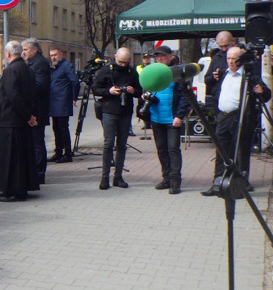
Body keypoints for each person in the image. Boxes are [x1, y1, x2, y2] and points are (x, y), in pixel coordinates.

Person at [202, 46, 272, 197]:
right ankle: (218, 182)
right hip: (222, 116)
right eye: (228, 58)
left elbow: (266, 94)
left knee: (240, 151)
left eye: (234, 58)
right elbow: (211, 88)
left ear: (240, 60)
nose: (231, 61)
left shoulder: (249, 76)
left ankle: (240, 183)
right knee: (221, 151)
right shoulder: (223, 74)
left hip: (240, 117)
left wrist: (262, 91)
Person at [0, 41, 37, 202]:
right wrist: (29, 115)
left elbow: (13, 96)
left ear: (7, 54)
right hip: (19, 120)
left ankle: (14, 190)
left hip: (10, 120)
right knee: (20, 158)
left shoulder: (12, 70)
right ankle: (20, 187)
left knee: (11, 159)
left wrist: (27, 116)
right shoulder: (26, 69)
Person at [91, 47, 142, 190]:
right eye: (121, 62)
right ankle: (104, 177)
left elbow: (140, 91)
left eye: (126, 62)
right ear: (115, 57)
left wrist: (133, 91)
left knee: (122, 145)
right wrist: (109, 91)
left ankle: (118, 177)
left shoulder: (132, 72)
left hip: (125, 112)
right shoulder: (106, 71)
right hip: (109, 110)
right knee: (108, 144)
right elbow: (95, 89)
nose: (123, 65)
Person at [142, 46, 190, 195]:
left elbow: (185, 96)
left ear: (170, 56)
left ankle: (175, 180)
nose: (160, 59)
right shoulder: (153, 72)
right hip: (157, 118)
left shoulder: (177, 73)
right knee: (161, 149)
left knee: (173, 149)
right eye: (157, 56)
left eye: (162, 56)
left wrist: (179, 116)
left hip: (172, 119)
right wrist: (145, 96)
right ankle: (166, 178)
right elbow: (146, 89)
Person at [21, 38, 51, 185]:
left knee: (37, 143)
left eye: (25, 49)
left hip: (38, 110)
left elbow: (40, 85)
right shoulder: (33, 63)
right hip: (34, 108)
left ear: (34, 50)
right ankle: (34, 172)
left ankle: (39, 174)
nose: (23, 52)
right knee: (34, 142)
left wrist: (23, 87)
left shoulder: (40, 63)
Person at [48, 47, 80, 163]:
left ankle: (67, 153)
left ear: (61, 54)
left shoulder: (66, 65)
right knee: (56, 128)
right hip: (54, 102)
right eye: (51, 55)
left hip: (62, 102)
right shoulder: (54, 67)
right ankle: (58, 152)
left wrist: (73, 97)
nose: (53, 57)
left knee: (62, 128)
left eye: (55, 55)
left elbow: (75, 81)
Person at [203, 31, 237, 109]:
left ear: (233, 41)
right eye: (221, 46)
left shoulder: (241, 55)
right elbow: (207, 80)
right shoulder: (216, 58)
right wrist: (214, 77)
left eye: (226, 45)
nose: (224, 49)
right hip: (219, 101)